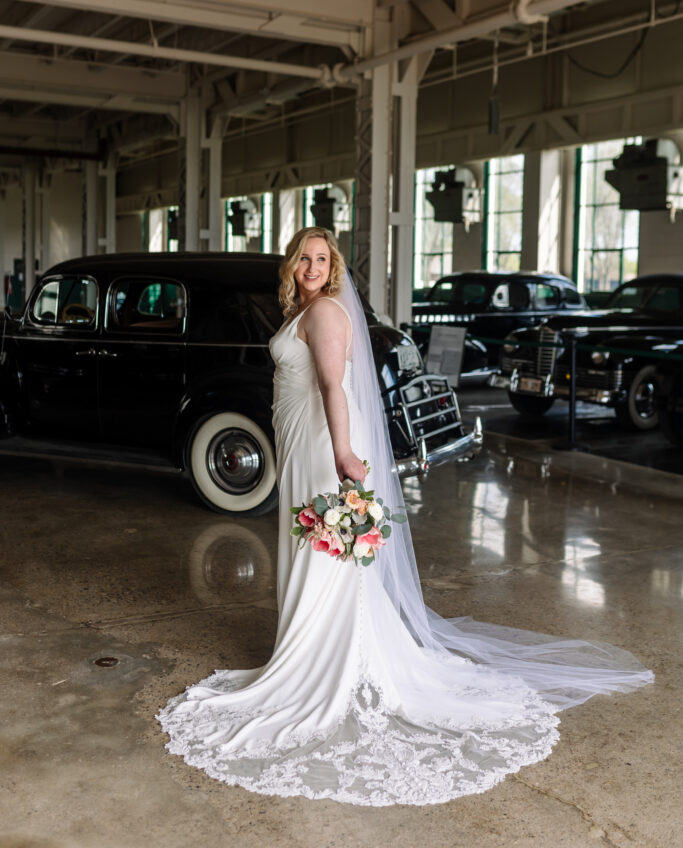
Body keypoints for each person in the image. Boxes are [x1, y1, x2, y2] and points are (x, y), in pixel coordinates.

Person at [157, 227, 653, 806]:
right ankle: (306, 648)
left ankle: (324, 660)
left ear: (333, 267)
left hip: (322, 447)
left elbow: (333, 388)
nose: (313, 267)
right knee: (310, 550)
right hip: (298, 443)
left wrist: (343, 453)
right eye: (305, 259)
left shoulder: (324, 317)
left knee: (324, 554)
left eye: (322, 259)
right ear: (292, 266)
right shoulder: (307, 310)